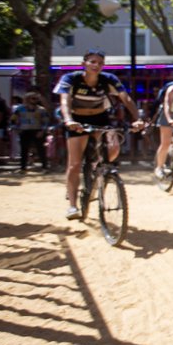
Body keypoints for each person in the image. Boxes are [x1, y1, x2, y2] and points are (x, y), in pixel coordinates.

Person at [54, 49, 145, 220]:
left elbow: (126, 98)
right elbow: (64, 101)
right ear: (84, 64)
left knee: (113, 146)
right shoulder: (70, 79)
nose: (97, 65)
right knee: (74, 164)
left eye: (100, 63)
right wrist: (68, 120)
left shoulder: (108, 79)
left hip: (100, 117)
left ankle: (97, 171)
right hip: (77, 120)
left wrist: (137, 119)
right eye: (92, 62)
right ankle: (73, 206)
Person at [12, 90, 50, 172]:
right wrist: (16, 128)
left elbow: (46, 121)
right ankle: (23, 168)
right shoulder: (20, 109)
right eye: (33, 98)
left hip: (37, 130)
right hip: (24, 130)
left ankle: (44, 167)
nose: (35, 100)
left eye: (36, 98)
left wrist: (42, 131)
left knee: (41, 149)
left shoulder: (41, 110)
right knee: (24, 150)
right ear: (27, 99)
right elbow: (13, 119)